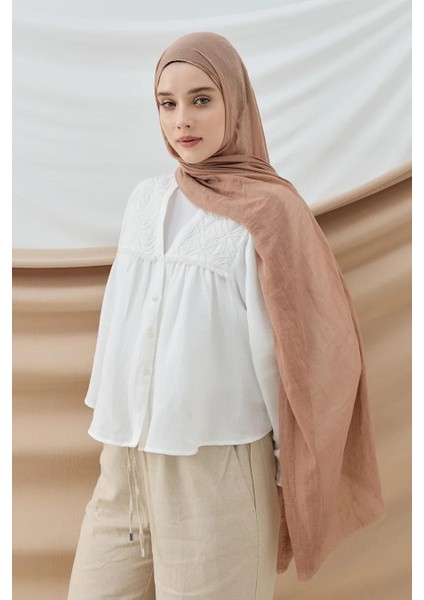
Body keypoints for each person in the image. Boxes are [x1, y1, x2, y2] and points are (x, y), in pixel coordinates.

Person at [68, 31, 385, 600]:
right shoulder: (145, 200)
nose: (182, 120)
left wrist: (290, 473)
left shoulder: (272, 212)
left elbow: (302, 355)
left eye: (201, 99)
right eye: (167, 103)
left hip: (217, 475)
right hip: (125, 470)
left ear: (234, 102)